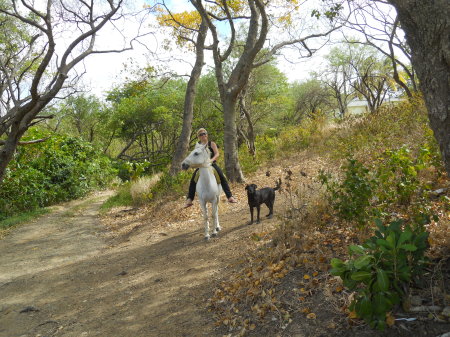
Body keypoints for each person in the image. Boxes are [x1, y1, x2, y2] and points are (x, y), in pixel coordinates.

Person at [184, 128, 238, 208]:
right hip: (201, 166)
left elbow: (217, 154)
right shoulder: (198, 146)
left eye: (204, 133)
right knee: (193, 180)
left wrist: (211, 160)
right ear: (198, 137)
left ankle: (229, 196)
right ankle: (189, 199)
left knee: (222, 177)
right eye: (201, 134)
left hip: (212, 164)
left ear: (207, 134)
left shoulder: (211, 144)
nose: (203, 135)